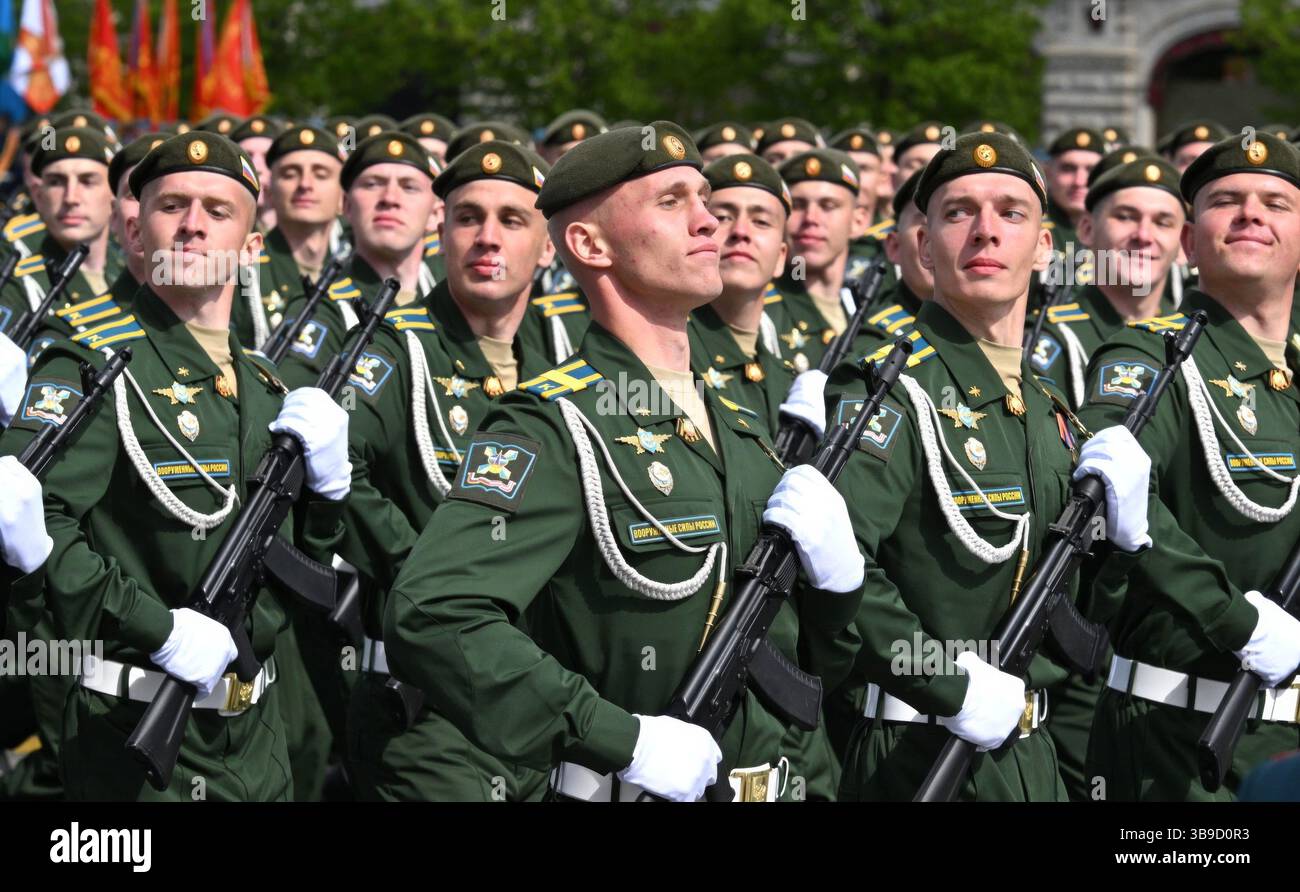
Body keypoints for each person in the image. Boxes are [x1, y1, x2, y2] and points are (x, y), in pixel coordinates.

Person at [384, 121, 865, 802]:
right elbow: (432, 615)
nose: (709, 221)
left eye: (704, 198)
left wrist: (840, 592)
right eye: (672, 203)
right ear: (588, 243)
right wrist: (617, 737)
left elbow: (812, 667)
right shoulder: (552, 425)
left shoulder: (740, 421)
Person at [0, 131, 350, 800]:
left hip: (258, 735)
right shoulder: (93, 363)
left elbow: (298, 564)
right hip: (137, 731)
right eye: (172, 207)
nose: (193, 225)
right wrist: (157, 630)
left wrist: (331, 495)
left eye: (218, 211)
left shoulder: (266, 386)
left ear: (251, 247)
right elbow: (31, 526)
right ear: (136, 235)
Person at [825, 132, 1152, 800]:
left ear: (1045, 247)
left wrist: (1122, 548)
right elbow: (838, 575)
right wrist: (948, 683)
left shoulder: (1047, 407)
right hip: (916, 753)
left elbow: (1081, 617)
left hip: (1030, 756)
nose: (984, 232)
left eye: (1011, 212)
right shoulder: (889, 390)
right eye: (956, 213)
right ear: (921, 246)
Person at [1078, 132, 1300, 800]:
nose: (1251, 213)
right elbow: (1119, 506)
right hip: (1179, 738)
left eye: (1275, 202)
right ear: (1190, 241)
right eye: (1225, 201)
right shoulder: (1151, 359)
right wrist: (1236, 618)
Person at [340, 139, 560, 801]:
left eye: (512, 220)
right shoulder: (392, 349)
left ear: (549, 248)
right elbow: (337, 472)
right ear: (440, 234)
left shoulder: (555, 366)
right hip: (426, 712)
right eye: (468, 217)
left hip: (533, 703)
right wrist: (430, 574)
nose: (487, 238)